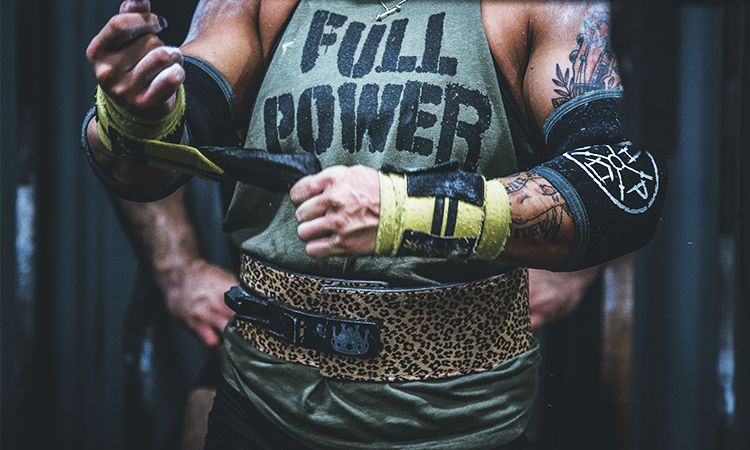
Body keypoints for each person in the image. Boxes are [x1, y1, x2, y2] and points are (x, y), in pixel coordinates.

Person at [83, 0, 666, 448]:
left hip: (457, 421)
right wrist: (136, 117)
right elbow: (154, 157)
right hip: (263, 403)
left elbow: (620, 189)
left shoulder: (535, 9)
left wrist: (407, 211)